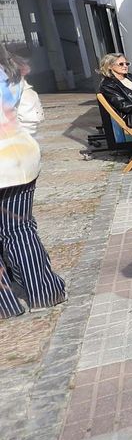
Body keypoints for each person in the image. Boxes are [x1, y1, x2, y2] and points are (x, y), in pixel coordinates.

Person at [0, 46, 66, 318]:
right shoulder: (10, 73)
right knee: (20, 228)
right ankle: (44, 290)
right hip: (18, 157)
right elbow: (30, 115)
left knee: (16, 229)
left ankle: (6, 302)